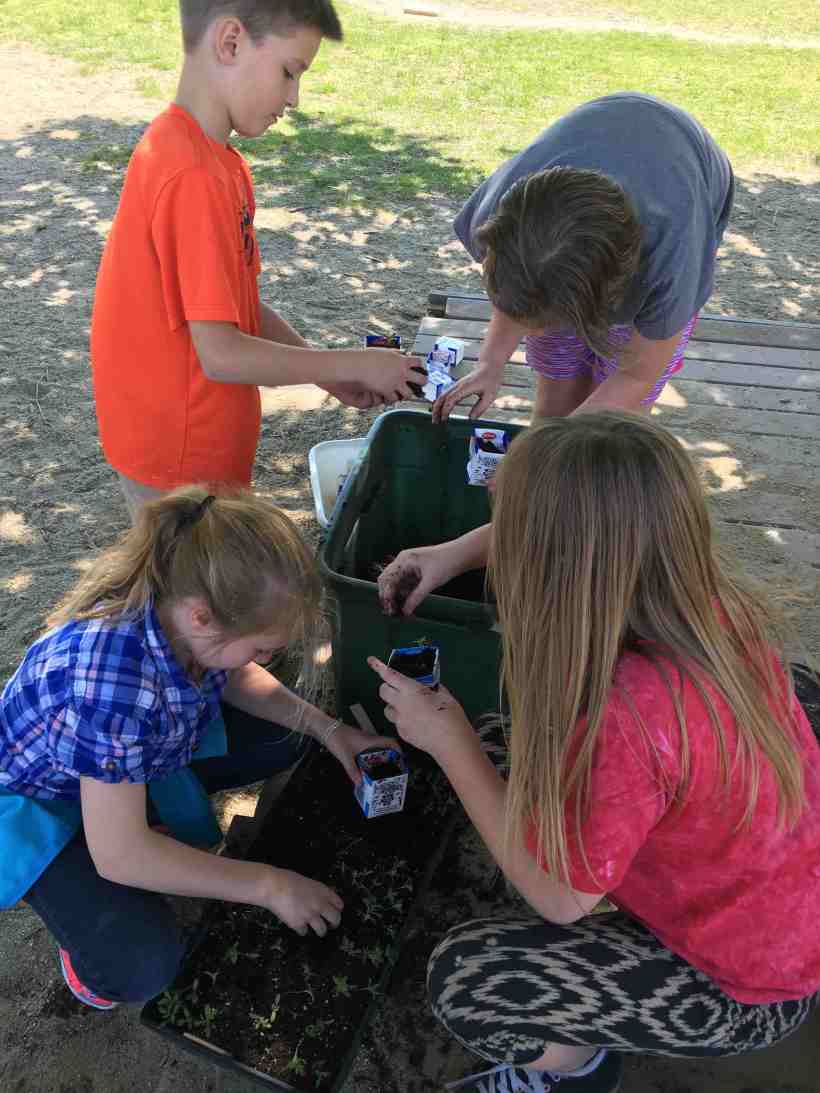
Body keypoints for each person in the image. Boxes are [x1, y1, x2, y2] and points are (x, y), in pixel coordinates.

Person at [370, 413, 820, 1093]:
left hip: (748, 987)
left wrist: (449, 741)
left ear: (559, 570)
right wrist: (452, 552)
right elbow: (578, 535)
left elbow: (559, 899)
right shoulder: (711, 608)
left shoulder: (630, 718)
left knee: (468, 981)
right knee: (515, 745)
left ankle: (575, 1069)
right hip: (785, 903)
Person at [0, 488, 393, 1009]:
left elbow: (231, 674)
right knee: (142, 965)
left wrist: (330, 730)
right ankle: (87, 950)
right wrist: (270, 885)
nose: (268, 658)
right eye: (263, 648)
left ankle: (140, 812)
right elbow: (120, 855)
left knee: (289, 732)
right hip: (40, 801)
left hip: (124, 761)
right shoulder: (112, 687)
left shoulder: (181, 611)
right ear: (204, 617)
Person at [91, 0, 426, 520]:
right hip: (179, 471)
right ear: (230, 43)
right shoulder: (191, 176)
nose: (294, 97)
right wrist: (354, 362)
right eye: (289, 72)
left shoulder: (218, 163)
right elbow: (222, 352)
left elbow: (240, 306)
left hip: (201, 454)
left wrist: (330, 378)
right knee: (194, 601)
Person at [432, 93, 734, 425]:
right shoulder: (500, 216)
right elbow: (515, 294)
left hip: (682, 163)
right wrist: (491, 363)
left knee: (617, 422)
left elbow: (636, 377)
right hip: (602, 148)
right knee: (556, 394)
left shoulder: (672, 259)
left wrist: (557, 448)